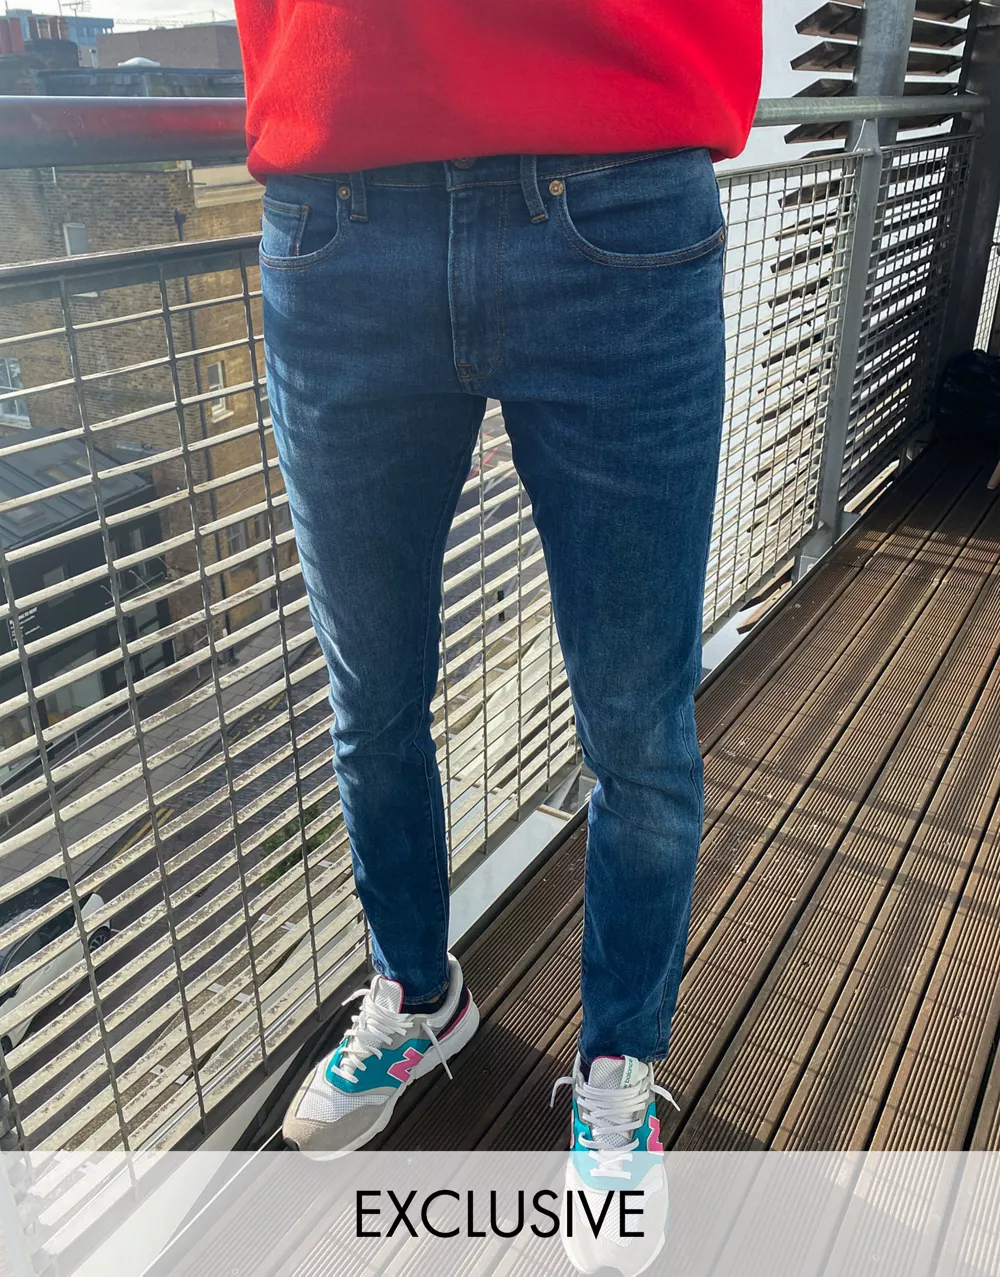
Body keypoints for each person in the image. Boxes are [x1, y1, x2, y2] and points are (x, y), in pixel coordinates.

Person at [233, 0, 763, 1159]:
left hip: (620, 192)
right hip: (337, 215)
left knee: (637, 725)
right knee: (370, 699)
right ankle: (419, 996)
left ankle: (618, 1068)